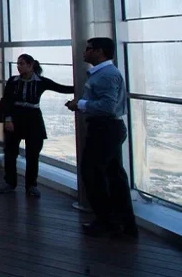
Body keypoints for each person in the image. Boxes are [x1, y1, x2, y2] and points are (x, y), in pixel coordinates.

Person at [65, 37, 137, 239]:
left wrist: (80, 105)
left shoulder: (105, 75)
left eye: (88, 49)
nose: (84, 52)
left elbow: (107, 106)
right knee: (113, 177)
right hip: (107, 129)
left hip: (105, 129)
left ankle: (108, 222)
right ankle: (123, 225)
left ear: (99, 52)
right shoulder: (105, 73)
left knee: (93, 174)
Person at [0, 54, 74, 197]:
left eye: (21, 63)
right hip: (16, 118)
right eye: (18, 64)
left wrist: (82, 87)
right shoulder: (13, 81)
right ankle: (10, 182)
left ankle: (31, 185)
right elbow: (6, 100)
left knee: (32, 154)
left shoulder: (41, 81)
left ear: (30, 65)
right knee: (10, 152)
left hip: (32, 119)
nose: (18, 66)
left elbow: (61, 88)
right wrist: (8, 119)